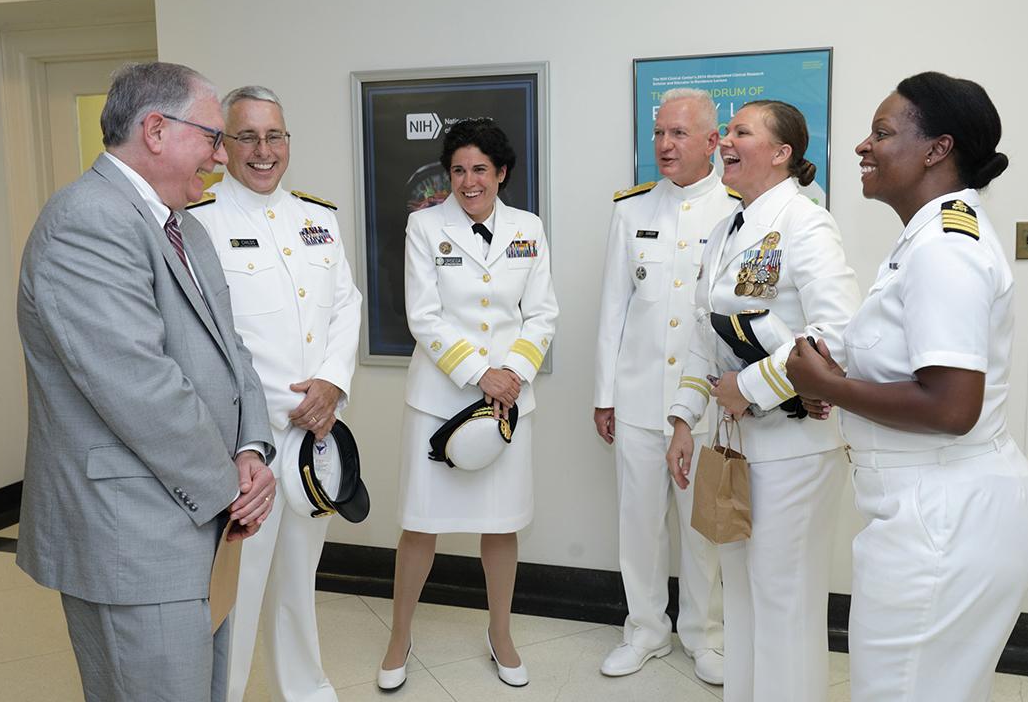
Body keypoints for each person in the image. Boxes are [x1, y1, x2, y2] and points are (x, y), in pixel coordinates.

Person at [14, 62, 276, 702]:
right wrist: (230, 490)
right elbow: (139, 387)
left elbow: (232, 354)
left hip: (201, 519)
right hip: (133, 534)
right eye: (213, 138)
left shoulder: (185, 228)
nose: (221, 159)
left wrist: (253, 451)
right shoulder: (87, 221)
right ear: (156, 129)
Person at [786, 72, 1028, 702]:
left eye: (882, 133)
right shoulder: (926, 237)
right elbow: (915, 375)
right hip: (929, 508)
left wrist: (831, 385)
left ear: (937, 149)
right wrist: (841, 382)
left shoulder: (945, 248)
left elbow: (953, 406)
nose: (862, 147)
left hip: (944, 518)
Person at [666, 100, 860, 702]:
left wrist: (749, 390)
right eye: (725, 131)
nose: (725, 141)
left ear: (781, 153)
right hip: (738, 444)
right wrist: (683, 417)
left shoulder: (805, 222)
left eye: (740, 132)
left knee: (785, 597)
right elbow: (705, 330)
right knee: (743, 594)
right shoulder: (728, 227)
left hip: (796, 445)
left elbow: (837, 332)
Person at [189, 85, 362, 702]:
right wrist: (273, 412)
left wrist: (333, 383)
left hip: (315, 436)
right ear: (224, 145)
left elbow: (346, 304)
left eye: (275, 136)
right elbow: (204, 339)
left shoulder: (318, 218)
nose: (264, 150)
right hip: (246, 446)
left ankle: (306, 689)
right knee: (236, 587)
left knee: (298, 578)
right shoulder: (197, 223)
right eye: (248, 137)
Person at [377, 118, 558, 690]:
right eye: (458, 169)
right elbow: (423, 317)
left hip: (507, 406)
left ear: (501, 173)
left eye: (480, 169)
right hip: (439, 401)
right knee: (420, 527)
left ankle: (500, 632)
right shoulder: (424, 226)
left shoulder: (528, 228)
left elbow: (543, 313)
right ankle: (399, 635)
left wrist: (513, 374)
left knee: (500, 528)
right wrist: (482, 373)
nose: (468, 181)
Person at [593, 87, 734, 683]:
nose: (665, 145)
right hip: (638, 396)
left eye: (679, 134)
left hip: (703, 402)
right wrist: (605, 395)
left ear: (711, 141)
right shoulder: (631, 209)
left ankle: (705, 634)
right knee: (639, 520)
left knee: (702, 527)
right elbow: (612, 310)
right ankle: (645, 629)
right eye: (659, 134)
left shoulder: (734, 208)